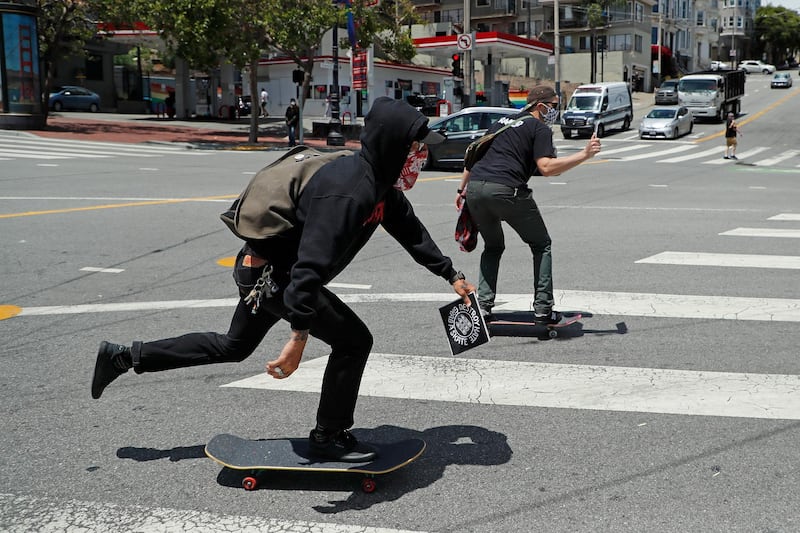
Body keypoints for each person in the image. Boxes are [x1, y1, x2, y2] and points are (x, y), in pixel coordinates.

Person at [91, 97, 476, 463]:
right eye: (415, 147)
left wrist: (451, 276)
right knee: (355, 341)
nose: (420, 155)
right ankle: (328, 436)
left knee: (232, 346)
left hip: (266, 271)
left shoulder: (379, 186)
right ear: (393, 145)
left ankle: (125, 356)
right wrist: (298, 338)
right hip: (273, 276)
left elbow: (411, 232)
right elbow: (309, 268)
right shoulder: (348, 190)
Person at [454, 85, 601, 325]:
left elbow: (474, 155)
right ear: (541, 106)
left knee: (493, 246)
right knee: (541, 244)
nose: (556, 111)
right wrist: (584, 155)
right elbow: (546, 167)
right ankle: (543, 309)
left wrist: (462, 190)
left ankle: (483, 306)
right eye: (554, 106)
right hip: (506, 190)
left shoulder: (503, 120)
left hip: (476, 189)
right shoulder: (539, 127)